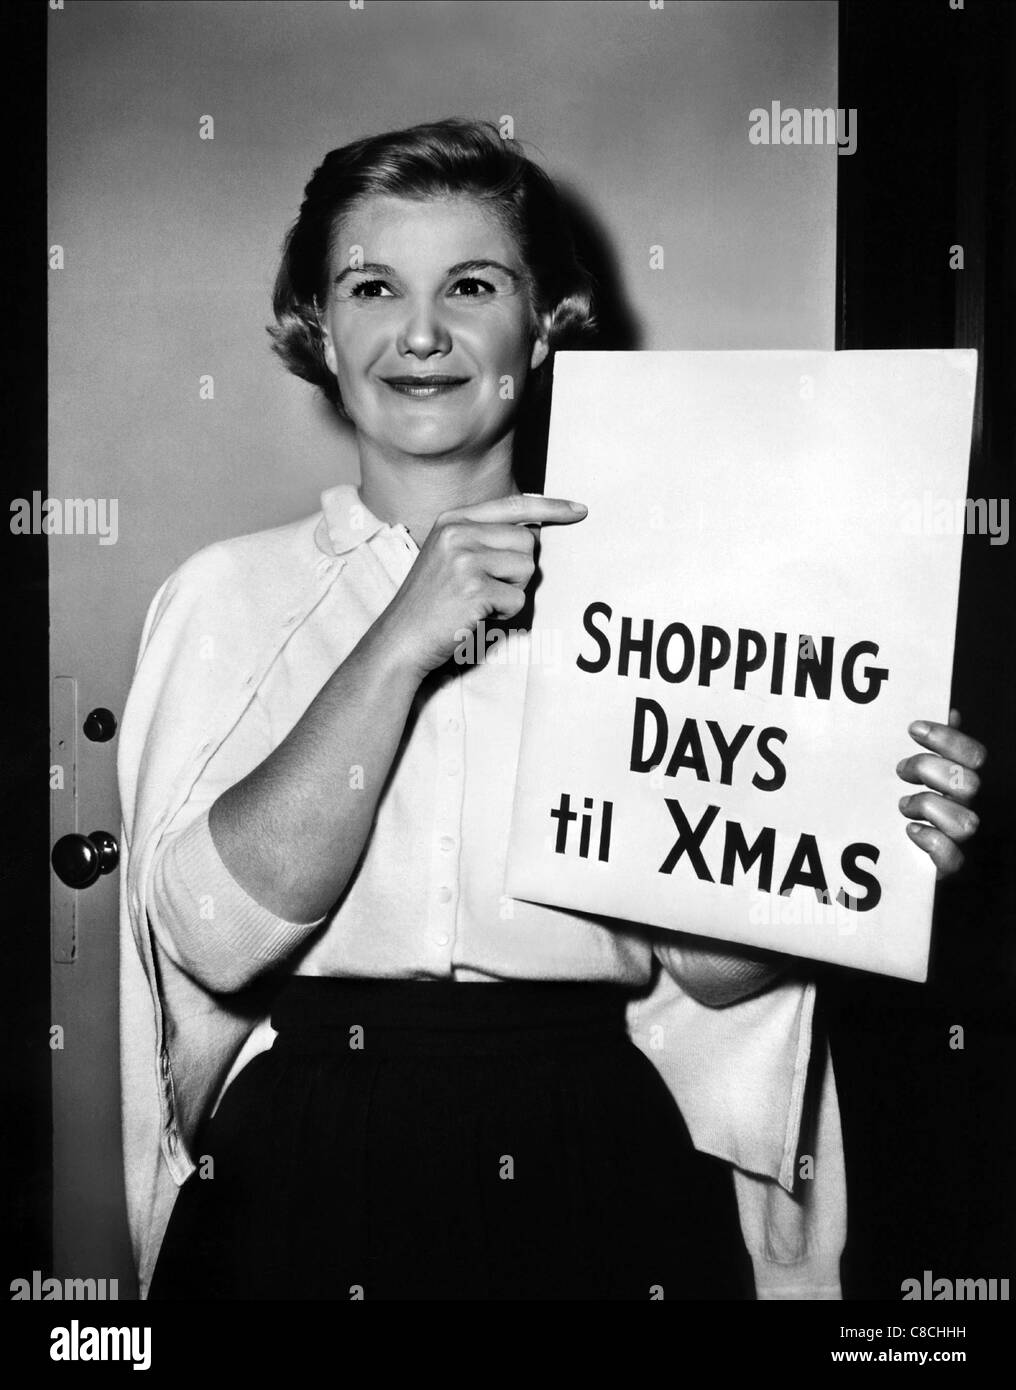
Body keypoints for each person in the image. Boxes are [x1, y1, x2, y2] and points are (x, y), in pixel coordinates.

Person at [117, 118, 986, 1301]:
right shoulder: (226, 591)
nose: (420, 333)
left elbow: (711, 969)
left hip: (593, 1140)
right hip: (310, 1152)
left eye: (471, 285)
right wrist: (401, 635)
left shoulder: (662, 595)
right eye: (372, 287)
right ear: (319, 330)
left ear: (544, 322)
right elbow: (212, 939)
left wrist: (857, 842)